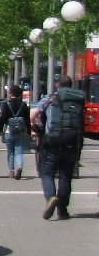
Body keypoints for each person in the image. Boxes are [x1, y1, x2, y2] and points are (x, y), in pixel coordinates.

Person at [34, 76, 85, 220]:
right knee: (66, 176)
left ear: (58, 86)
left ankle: (51, 197)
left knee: (47, 172)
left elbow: (34, 115)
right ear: (71, 85)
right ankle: (62, 210)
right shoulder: (79, 100)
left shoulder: (51, 98)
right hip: (72, 141)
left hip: (53, 141)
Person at [2, 86, 31, 180]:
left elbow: (3, 118)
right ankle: (19, 166)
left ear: (11, 93)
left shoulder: (6, 104)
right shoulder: (23, 105)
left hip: (9, 131)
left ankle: (11, 171)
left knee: (10, 152)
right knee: (19, 151)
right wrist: (29, 131)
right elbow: (27, 119)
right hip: (21, 131)